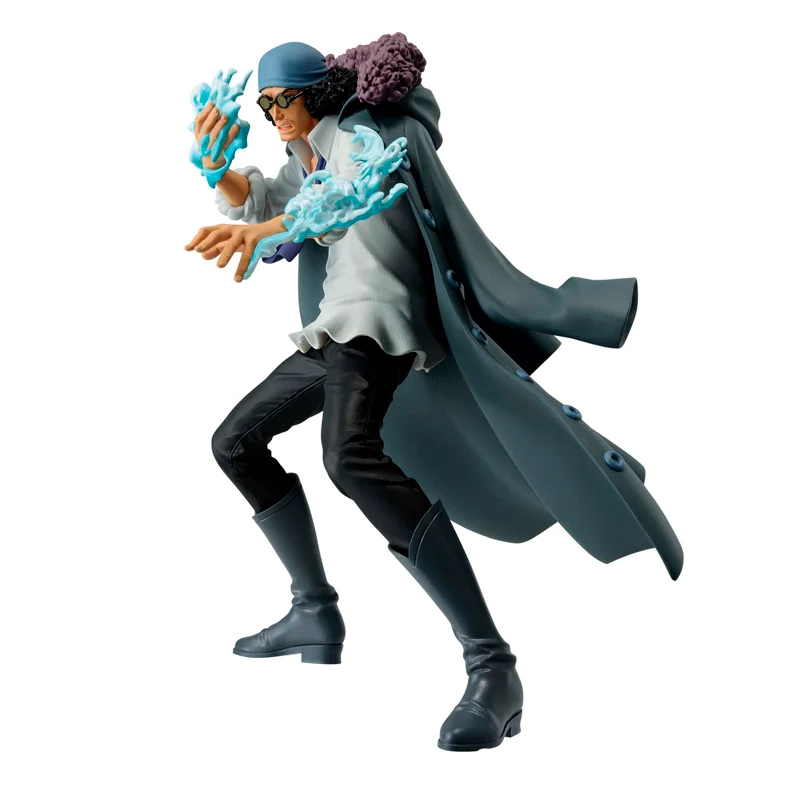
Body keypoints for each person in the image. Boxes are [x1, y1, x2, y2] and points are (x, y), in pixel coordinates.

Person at [185, 35, 683, 752]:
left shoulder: (362, 134)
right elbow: (280, 199)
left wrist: (263, 228)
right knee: (234, 443)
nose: (274, 116)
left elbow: (332, 206)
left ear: (315, 91)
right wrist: (222, 175)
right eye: (264, 107)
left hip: (379, 323)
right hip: (335, 329)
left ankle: (492, 666)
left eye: (281, 100)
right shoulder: (312, 150)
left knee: (350, 459)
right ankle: (314, 609)